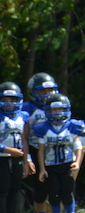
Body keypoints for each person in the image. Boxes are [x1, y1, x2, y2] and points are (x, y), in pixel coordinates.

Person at [34, 93, 85, 213]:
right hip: (51, 165)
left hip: (67, 164)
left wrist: (77, 162)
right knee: (54, 195)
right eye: (54, 109)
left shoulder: (72, 126)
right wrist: (42, 169)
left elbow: (78, 146)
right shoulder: (44, 128)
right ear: (48, 111)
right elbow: (41, 151)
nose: (57, 112)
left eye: (60, 109)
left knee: (67, 193)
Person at [22, 72, 60, 213]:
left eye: (50, 90)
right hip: (35, 149)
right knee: (40, 189)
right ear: (33, 91)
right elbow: (24, 137)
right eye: (42, 91)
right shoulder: (27, 109)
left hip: (55, 150)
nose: (46, 94)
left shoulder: (59, 104)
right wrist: (27, 158)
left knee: (59, 187)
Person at [0, 82, 29, 213]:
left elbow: (24, 140)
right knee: (3, 190)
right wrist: (8, 150)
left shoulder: (23, 116)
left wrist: (27, 160)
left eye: (12, 100)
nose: (8, 103)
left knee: (15, 189)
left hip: (17, 158)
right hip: (2, 158)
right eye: (4, 100)